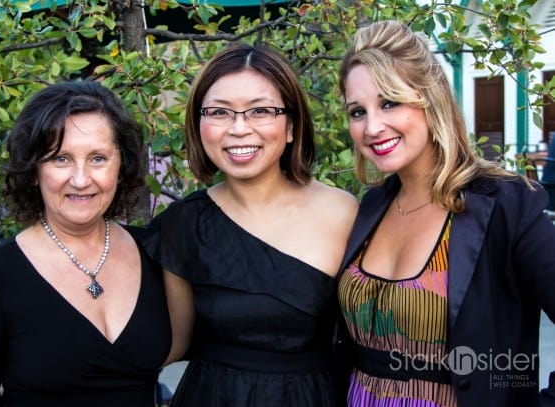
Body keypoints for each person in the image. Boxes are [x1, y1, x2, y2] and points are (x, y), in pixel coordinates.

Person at [336, 20, 555, 406]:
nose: (372, 126)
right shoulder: (370, 208)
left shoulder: (508, 205)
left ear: (430, 99)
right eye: (358, 111)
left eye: (389, 102)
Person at [141, 43, 359, 406]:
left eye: (260, 111)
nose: (239, 128)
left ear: (291, 126)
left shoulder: (343, 212)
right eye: (220, 112)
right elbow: (173, 344)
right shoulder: (181, 226)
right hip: (212, 396)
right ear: (199, 124)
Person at [0, 81, 180, 405]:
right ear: (33, 170)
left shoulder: (154, 255)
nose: (81, 179)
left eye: (98, 158)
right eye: (61, 159)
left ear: (121, 166)